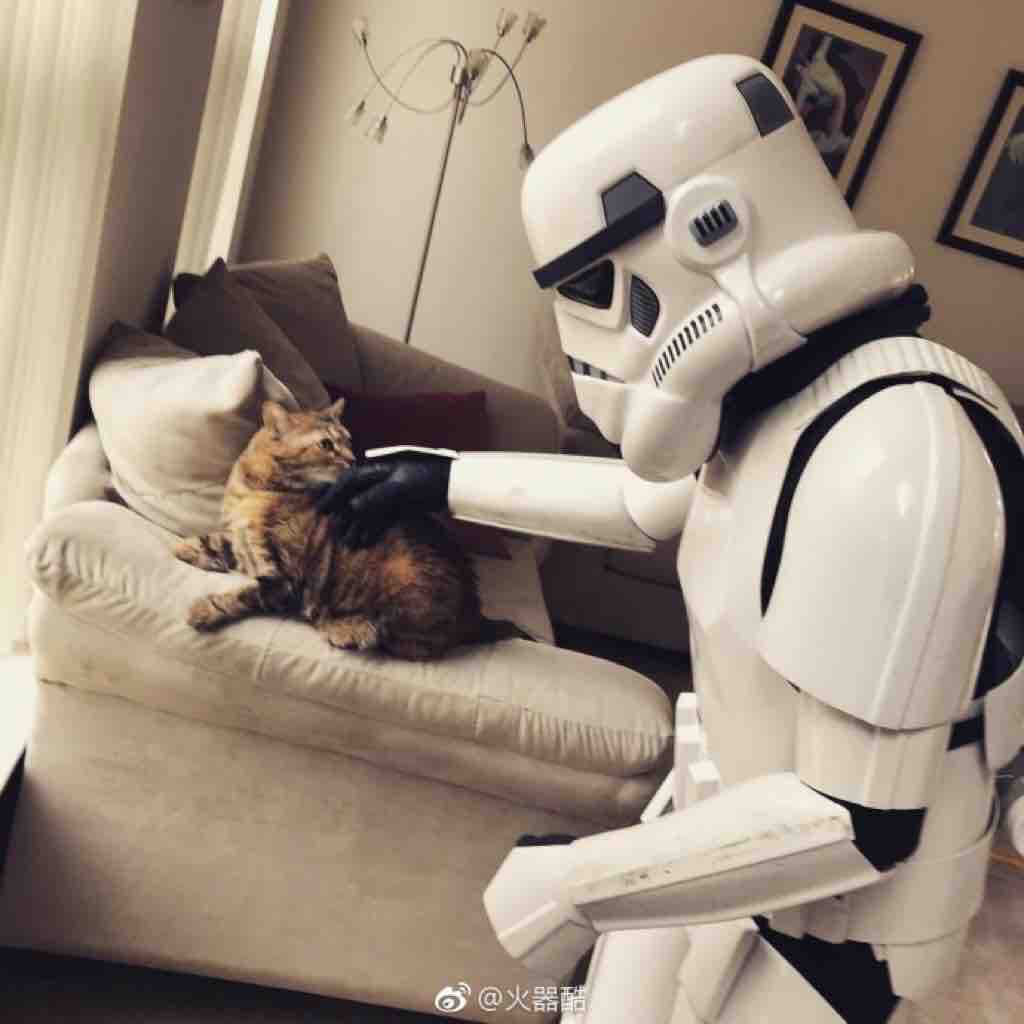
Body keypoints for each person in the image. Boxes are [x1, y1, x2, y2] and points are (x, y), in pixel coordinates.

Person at [317, 55, 1024, 1023]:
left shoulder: (891, 452)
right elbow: (647, 503)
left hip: (826, 935)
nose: (579, 336)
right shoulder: (788, 403)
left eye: (591, 286)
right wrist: (443, 478)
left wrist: (577, 882)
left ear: (712, 228)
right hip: (721, 831)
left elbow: (857, 819)